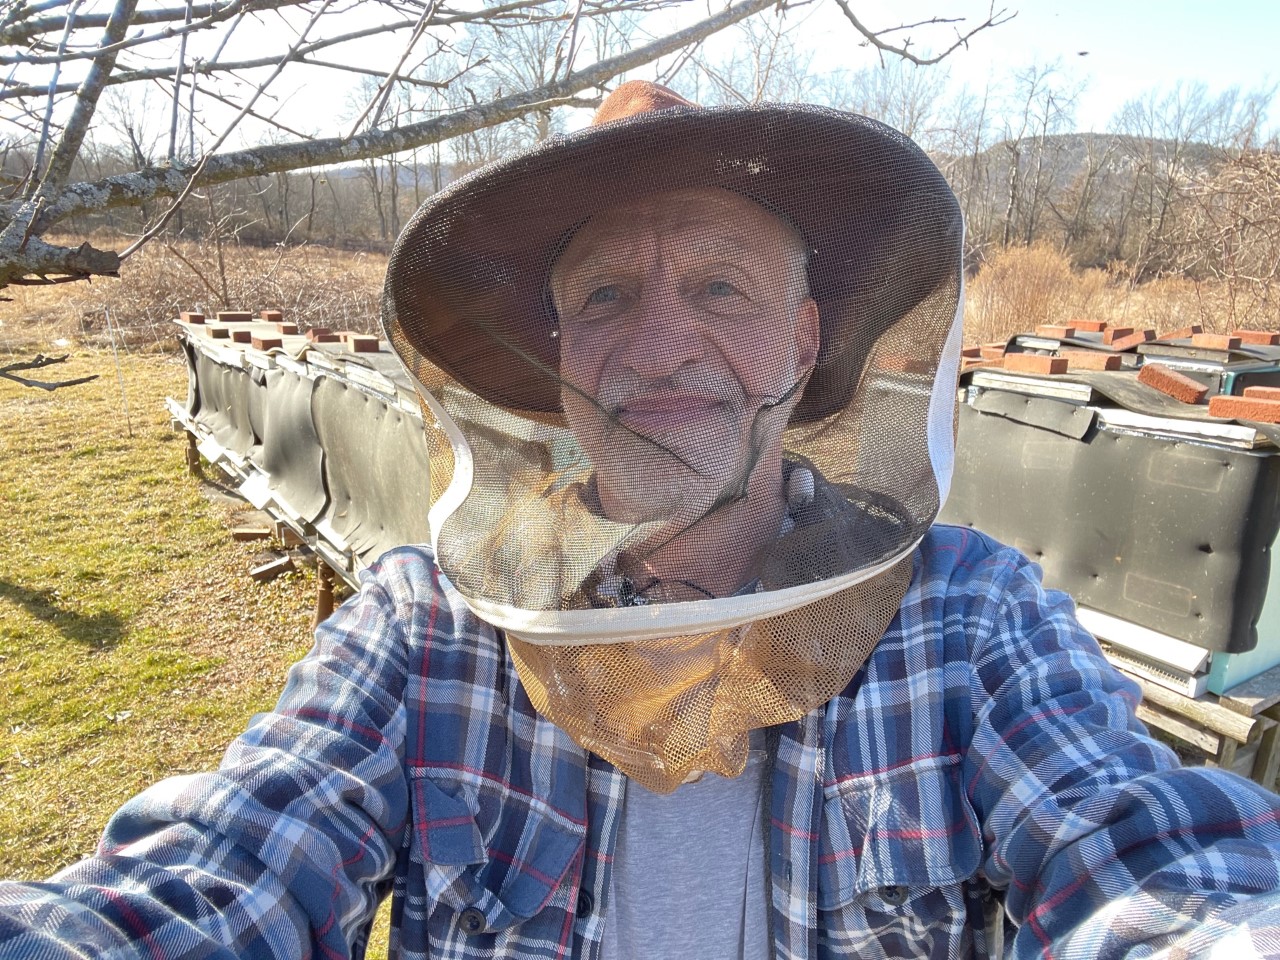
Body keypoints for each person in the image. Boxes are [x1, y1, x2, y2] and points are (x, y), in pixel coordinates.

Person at [3, 80, 1280, 960]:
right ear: (553, 358)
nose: (661, 346)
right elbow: (223, 875)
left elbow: (1145, 861)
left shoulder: (966, 619)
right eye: (606, 295)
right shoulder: (426, 630)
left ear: (804, 338)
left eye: (719, 285)